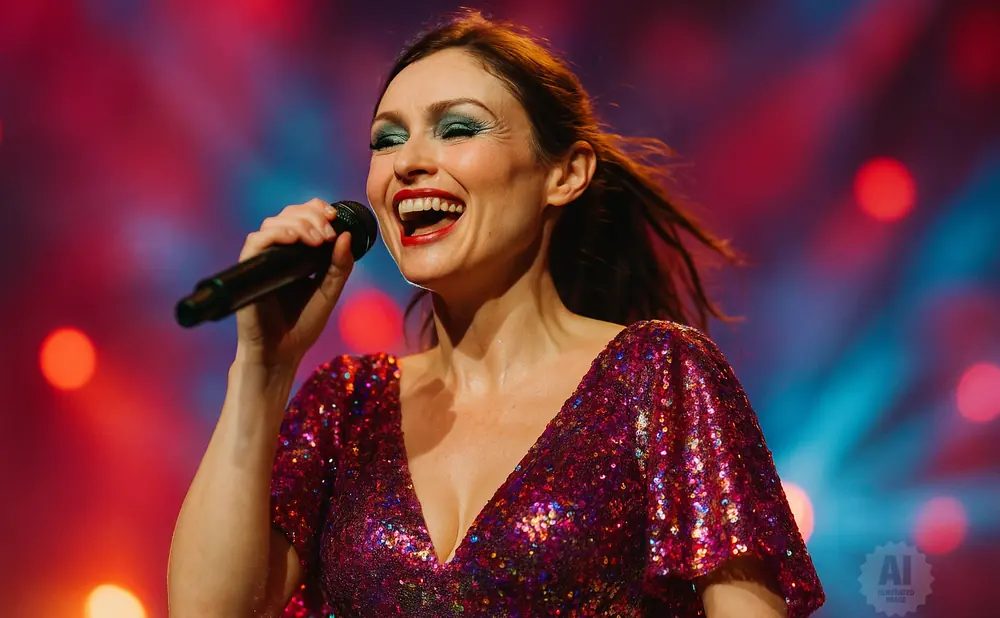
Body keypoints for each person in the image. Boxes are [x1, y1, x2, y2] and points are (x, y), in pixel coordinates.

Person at [167, 9, 825, 618]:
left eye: (457, 129)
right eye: (386, 139)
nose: (409, 163)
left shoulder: (657, 377)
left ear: (564, 174)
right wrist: (262, 371)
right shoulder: (345, 406)